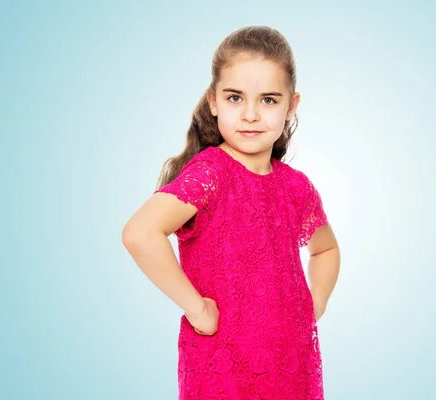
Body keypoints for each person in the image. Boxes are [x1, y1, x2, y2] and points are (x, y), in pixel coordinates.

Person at [122, 25, 340, 400]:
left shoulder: (296, 187)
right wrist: (196, 308)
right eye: (235, 97)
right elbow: (140, 233)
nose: (251, 114)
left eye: (269, 100)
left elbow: (325, 249)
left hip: (291, 361)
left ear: (292, 105)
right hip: (222, 362)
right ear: (213, 101)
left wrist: (315, 299)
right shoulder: (210, 174)